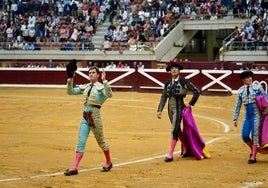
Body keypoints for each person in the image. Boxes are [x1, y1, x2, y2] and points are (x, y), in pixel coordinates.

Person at [64, 64, 113, 176]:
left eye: (93, 73)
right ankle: (74, 167)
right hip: (85, 116)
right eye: (89, 73)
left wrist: (105, 81)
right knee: (80, 142)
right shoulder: (86, 87)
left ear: (98, 75)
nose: (91, 74)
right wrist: (70, 79)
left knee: (101, 141)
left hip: (95, 118)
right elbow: (70, 92)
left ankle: (109, 162)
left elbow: (109, 94)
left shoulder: (101, 87)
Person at [157, 60, 200, 162]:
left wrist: (190, 103)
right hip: (170, 108)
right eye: (172, 68)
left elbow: (196, 91)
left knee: (173, 129)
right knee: (177, 129)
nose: (174, 69)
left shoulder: (183, 81)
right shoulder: (167, 83)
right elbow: (163, 97)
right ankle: (185, 147)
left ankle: (170, 155)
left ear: (179, 70)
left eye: (176, 68)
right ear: (170, 71)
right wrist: (159, 110)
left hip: (179, 107)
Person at [233, 70, 267, 164]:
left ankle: (253, 156)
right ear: (243, 80)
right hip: (247, 116)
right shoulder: (240, 90)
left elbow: (266, 99)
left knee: (255, 136)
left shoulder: (258, 88)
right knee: (244, 136)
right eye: (247, 78)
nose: (250, 79)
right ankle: (253, 149)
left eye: (250, 77)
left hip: (257, 116)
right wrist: (235, 118)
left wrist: (266, 113)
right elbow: (238, 105)